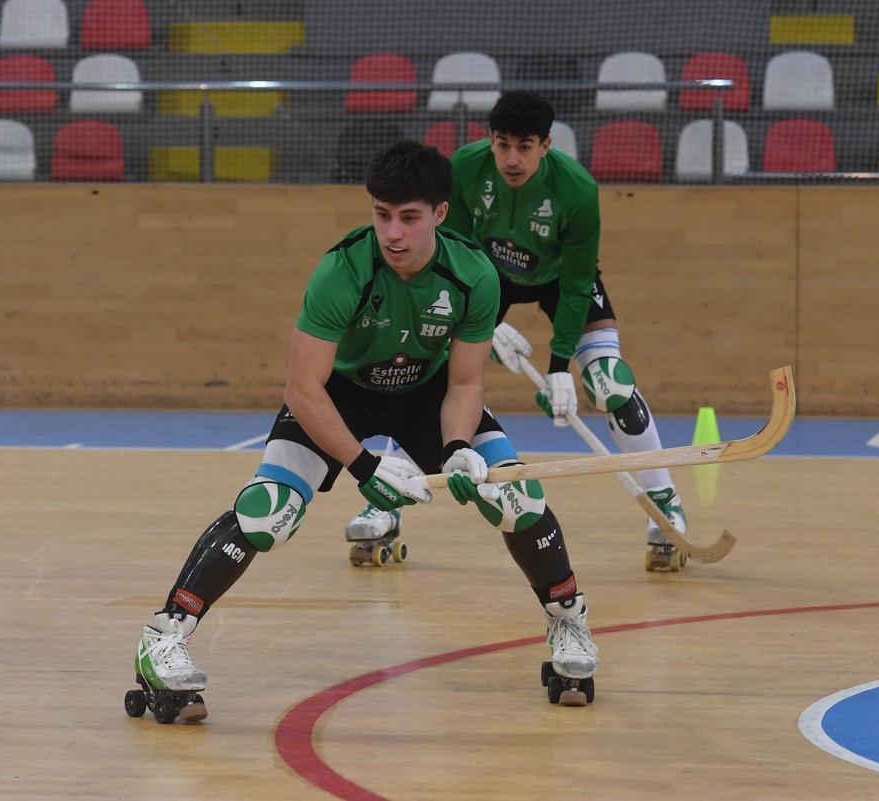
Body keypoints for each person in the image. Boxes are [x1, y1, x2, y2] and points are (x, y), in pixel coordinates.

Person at [129, 141, 598, 722]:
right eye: (382, 215)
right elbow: (303, 388)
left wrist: (454, 450)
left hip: (427, 394)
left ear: (440, 214)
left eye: (409, 217)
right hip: (339, 396)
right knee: (265, 510)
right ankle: (165, 635)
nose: (393, 233)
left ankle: (567, 621)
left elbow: (465, 386)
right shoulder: (342, 270)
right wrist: (362, 465)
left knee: (517, 495)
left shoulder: (475, 274)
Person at [346, 91, 687, 569]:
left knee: (610, 381)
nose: (511, 158)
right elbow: (453, 250)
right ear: (489, 140)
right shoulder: (464, 169)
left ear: (546, 145)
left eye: (524, 146)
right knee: (424, 373)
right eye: (502, 144)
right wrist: (490, 320)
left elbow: (577, 282)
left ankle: (665, 500)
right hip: (485, 278)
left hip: (560, 281)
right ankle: (387, 500)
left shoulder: (577, 190)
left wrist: (560, 366)